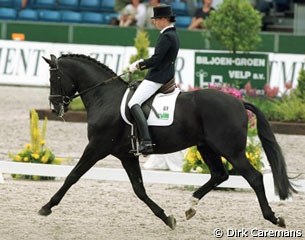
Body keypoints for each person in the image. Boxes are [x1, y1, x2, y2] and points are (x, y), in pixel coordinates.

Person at [127, 5, 180, 154]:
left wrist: (139, 64)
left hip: (158, 77)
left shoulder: (167, 36)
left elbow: (157, 60)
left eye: (156, 19)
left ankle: (146, 141)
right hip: (163, 74)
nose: (154, 22)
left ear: (164, 19)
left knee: (133, 102)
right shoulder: (171, 34)